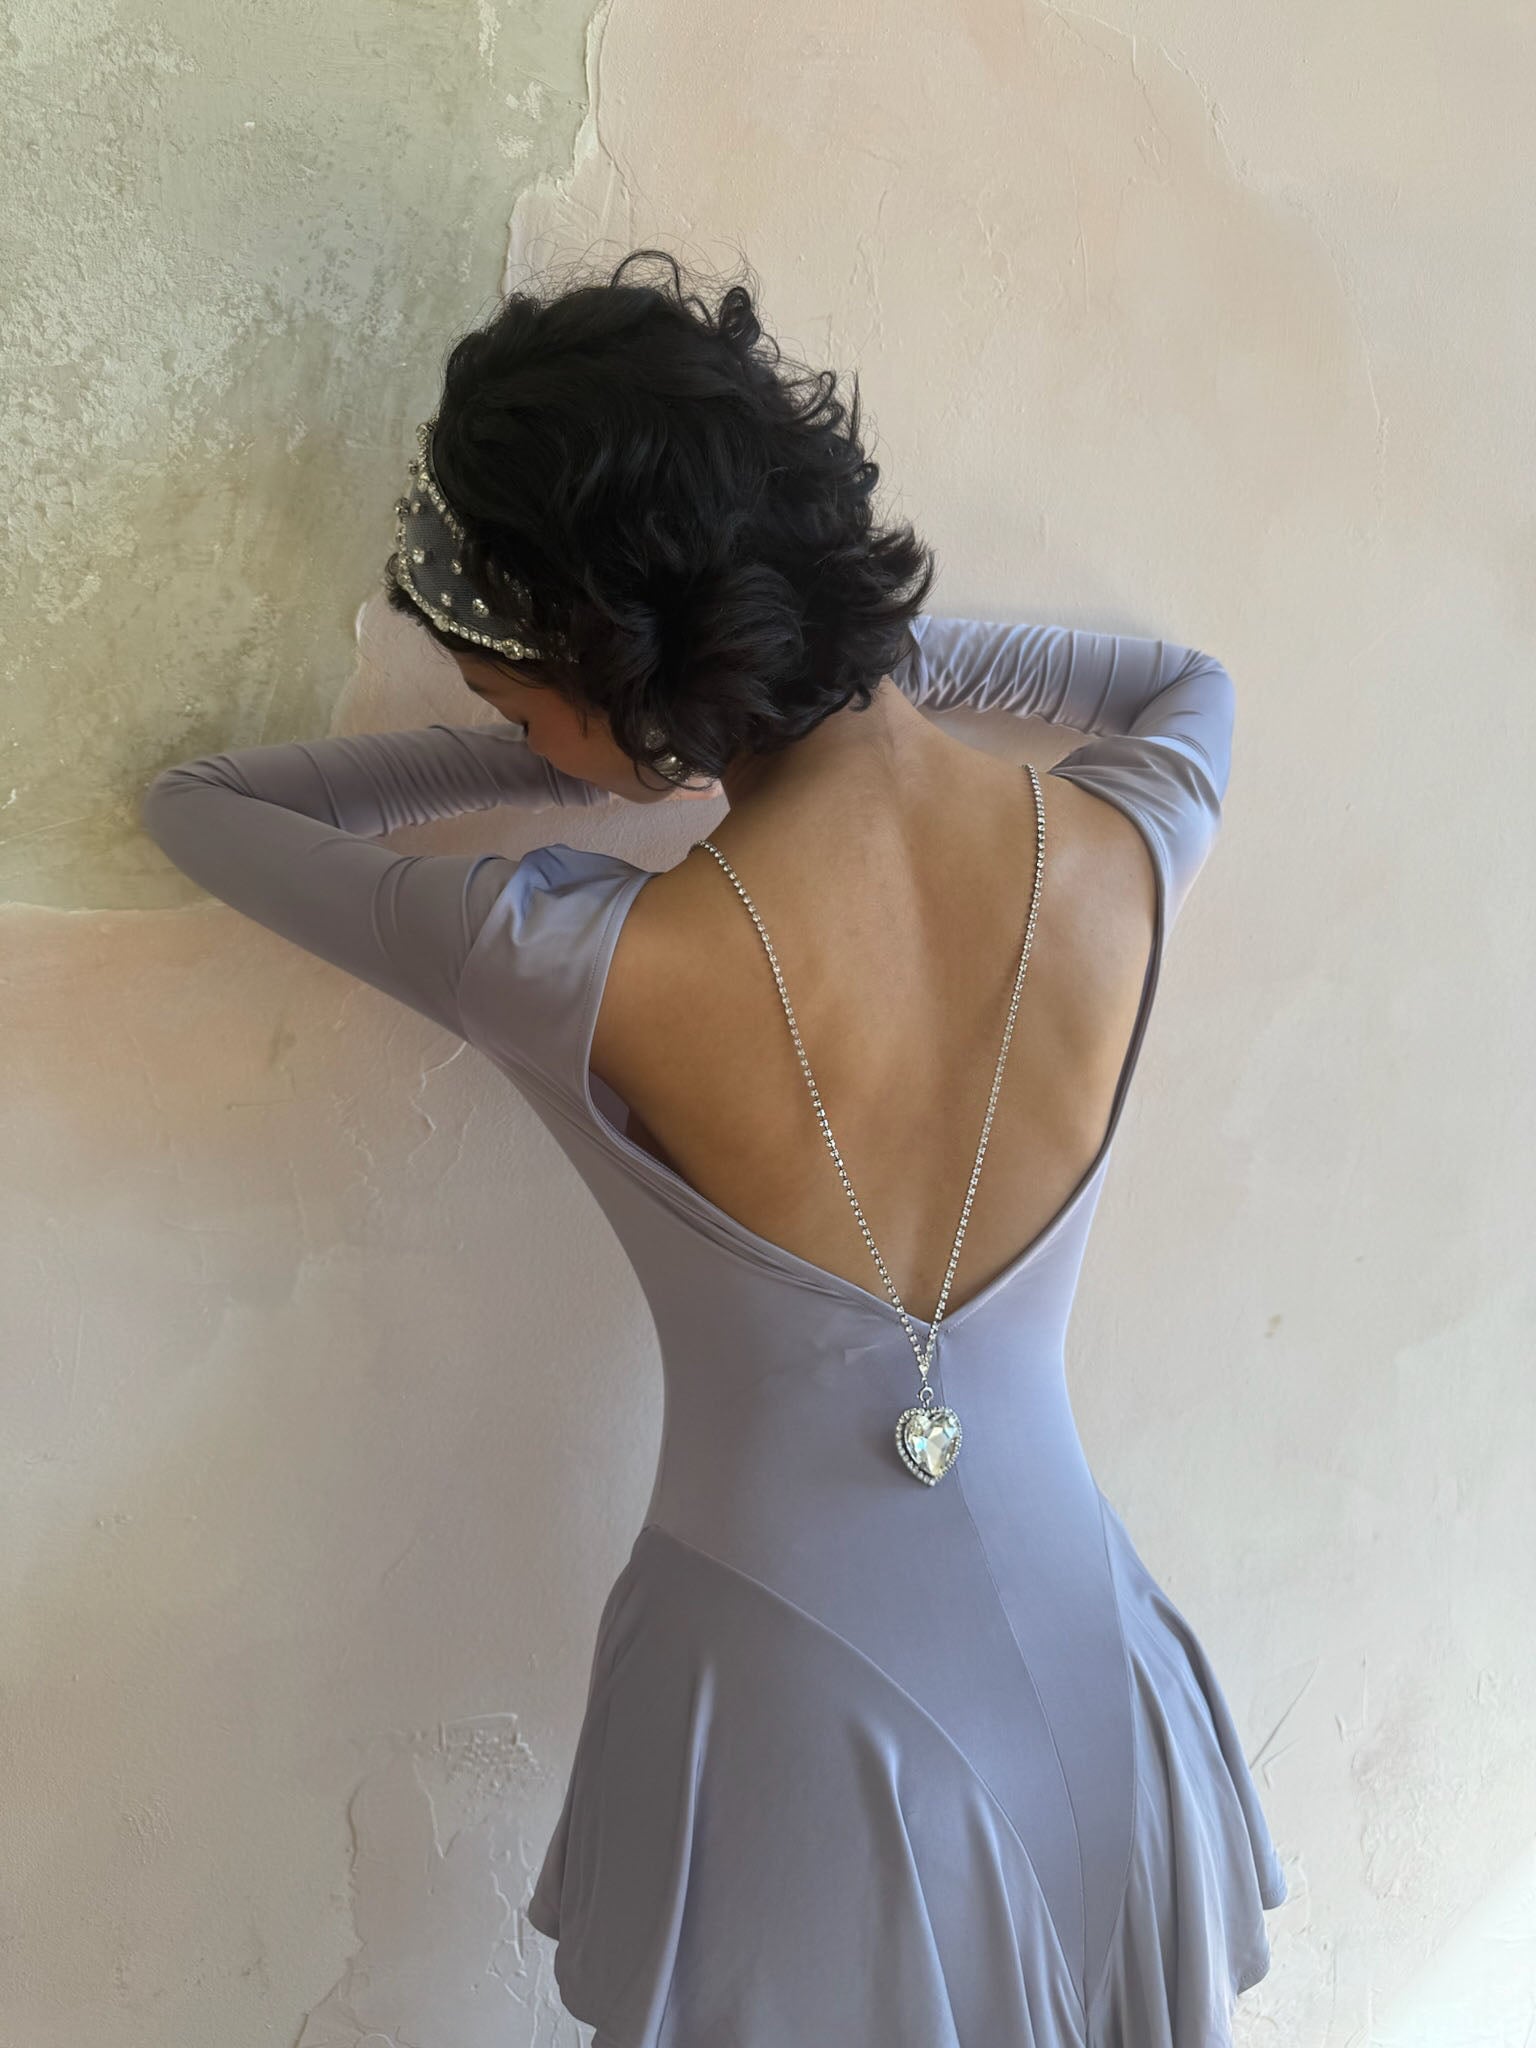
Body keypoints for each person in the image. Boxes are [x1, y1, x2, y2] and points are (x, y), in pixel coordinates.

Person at [142, 247, 1286, 2045]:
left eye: (512, 700)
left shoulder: (568, 959)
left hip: (798, 1735)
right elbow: (1178, 679)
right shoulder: (1132, 838)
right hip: (1099, 1686)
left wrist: (586, 758)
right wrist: (820, 660)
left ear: (605, 658)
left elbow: (203, 806)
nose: (516, 737)